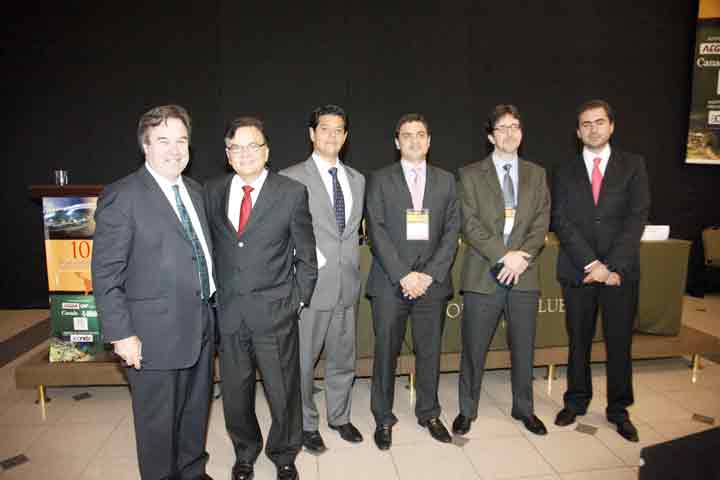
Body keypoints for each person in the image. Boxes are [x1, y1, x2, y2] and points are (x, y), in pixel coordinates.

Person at [92, 104, 216, 479]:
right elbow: (106, 273)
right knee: (157, 426)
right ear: (145, 146)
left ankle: (192, 472)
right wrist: (121, 335)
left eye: (181, 140)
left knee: (195, 412)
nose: (174, 150)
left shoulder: (195, 191)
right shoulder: (123, 195)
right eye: (163, 140)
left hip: (200, 324)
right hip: (151, 335)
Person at [204, 116, 317, 480]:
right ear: (227, 154)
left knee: (283, 392)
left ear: (266, 151)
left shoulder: (291, 192)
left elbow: (307, 257)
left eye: (253, 146)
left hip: (276, 314)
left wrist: (296, 301)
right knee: (236, 394)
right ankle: (245, 452)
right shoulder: (212, 191)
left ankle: (284, 454)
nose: (245, 153)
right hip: (230, 315)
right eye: (236, 147)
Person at [551, 99, 650, 442]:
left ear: (611, 126)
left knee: (619, 343)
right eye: (586, 124)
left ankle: (619, 410)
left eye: (599, 122)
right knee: (578, 340)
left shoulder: (633, 165)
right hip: (578, 270)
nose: (593, 129)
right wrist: (593, 265)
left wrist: (611, 267)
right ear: (578, 132)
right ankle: (575, 401)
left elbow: (637, 217)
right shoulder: (563, 170)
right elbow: (560, 220)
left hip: (620, 273)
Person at [453, 104, 551, 437]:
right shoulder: (469, 174)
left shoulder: (537, 174)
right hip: (484, 272)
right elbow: (469, 223)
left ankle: (524, 408)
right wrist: (503, 255)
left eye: (515, 127)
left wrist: (522, 257)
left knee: (524, 348)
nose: (509, 133)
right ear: (490, 136)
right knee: (474, 348)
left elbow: (541, 221)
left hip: (524, 272)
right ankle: (467, 409)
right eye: (502, 128)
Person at [365, 113, 460, 450]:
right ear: (397, 142)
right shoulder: (379, 179)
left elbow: (452, 231)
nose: (414, 141)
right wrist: (404, 274)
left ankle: (429, 413)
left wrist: (428, 275)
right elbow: (375, 230)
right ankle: (383, 417)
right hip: (391, 282)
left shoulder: (446, 180)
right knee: (385, 352)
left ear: (429, 141)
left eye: (420, 135)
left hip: (431, 284)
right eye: (407, 135)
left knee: (429, 352)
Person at [280, 104, 365, 453]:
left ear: (345, 136)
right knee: (302, 363)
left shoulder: (357, 179)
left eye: (338, 129)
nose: (332, 135)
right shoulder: (290, 178)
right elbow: (284, 234)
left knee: (343, 358)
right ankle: (306, 424)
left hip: (348, 284)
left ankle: (340, 417)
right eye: (324, 128)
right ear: (312, 134)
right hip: (310, 288)